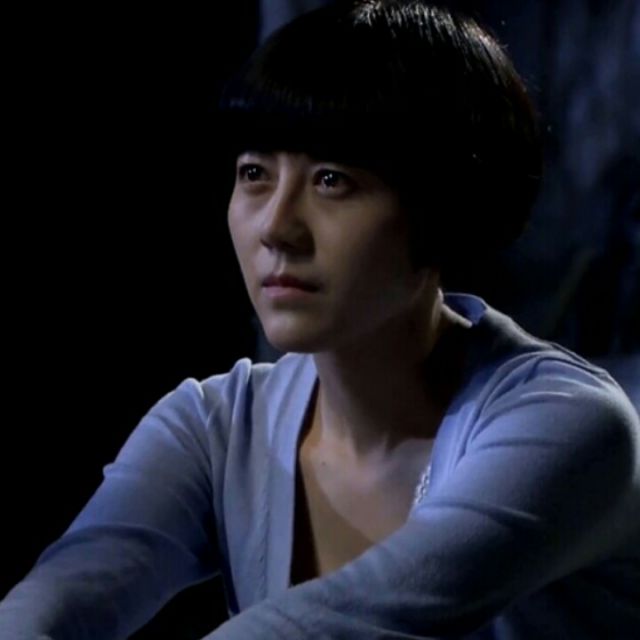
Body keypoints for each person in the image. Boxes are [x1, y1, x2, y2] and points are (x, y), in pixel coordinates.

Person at [2, 1, 639, 638]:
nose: (276, 227)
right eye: (255, 174)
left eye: (333, 180)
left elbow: (345, 621)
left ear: (445, 207)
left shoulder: (567, 426)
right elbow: (59, 596)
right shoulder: (216, 429)